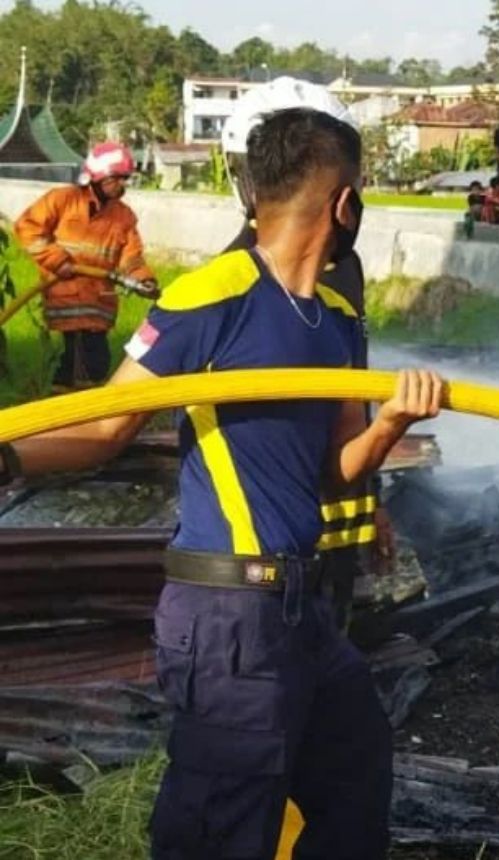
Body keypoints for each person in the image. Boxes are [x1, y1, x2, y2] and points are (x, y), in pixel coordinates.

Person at [0, 108, 444, 860]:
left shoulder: (335, 318)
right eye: (360, 190)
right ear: (344, 202)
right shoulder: (212, 295)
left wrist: (393, 424)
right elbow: (107, 424)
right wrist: (8, 459)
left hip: (304, 611)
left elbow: (334, 473)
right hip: (229, 613)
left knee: (354, 778)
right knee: (220, 829)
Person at [220, 76, 393, 636]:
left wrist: (374, 503)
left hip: (332, 520)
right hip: (264, 545)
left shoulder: (342, 268)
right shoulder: (226, 284)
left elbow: (352, 400)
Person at [15, 142, 157, 391]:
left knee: (85, 365)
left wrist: (142, 278)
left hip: (99, 302)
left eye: (125, 179)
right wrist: (58, 261)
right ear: (99, 177)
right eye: (117, 178)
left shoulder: (123, 216)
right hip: (67, 297)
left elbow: (131, 256)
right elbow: (27, 228)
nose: (123, 185)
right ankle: (72, 417)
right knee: (85, 363)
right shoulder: (62, 200)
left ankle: (67, 414)